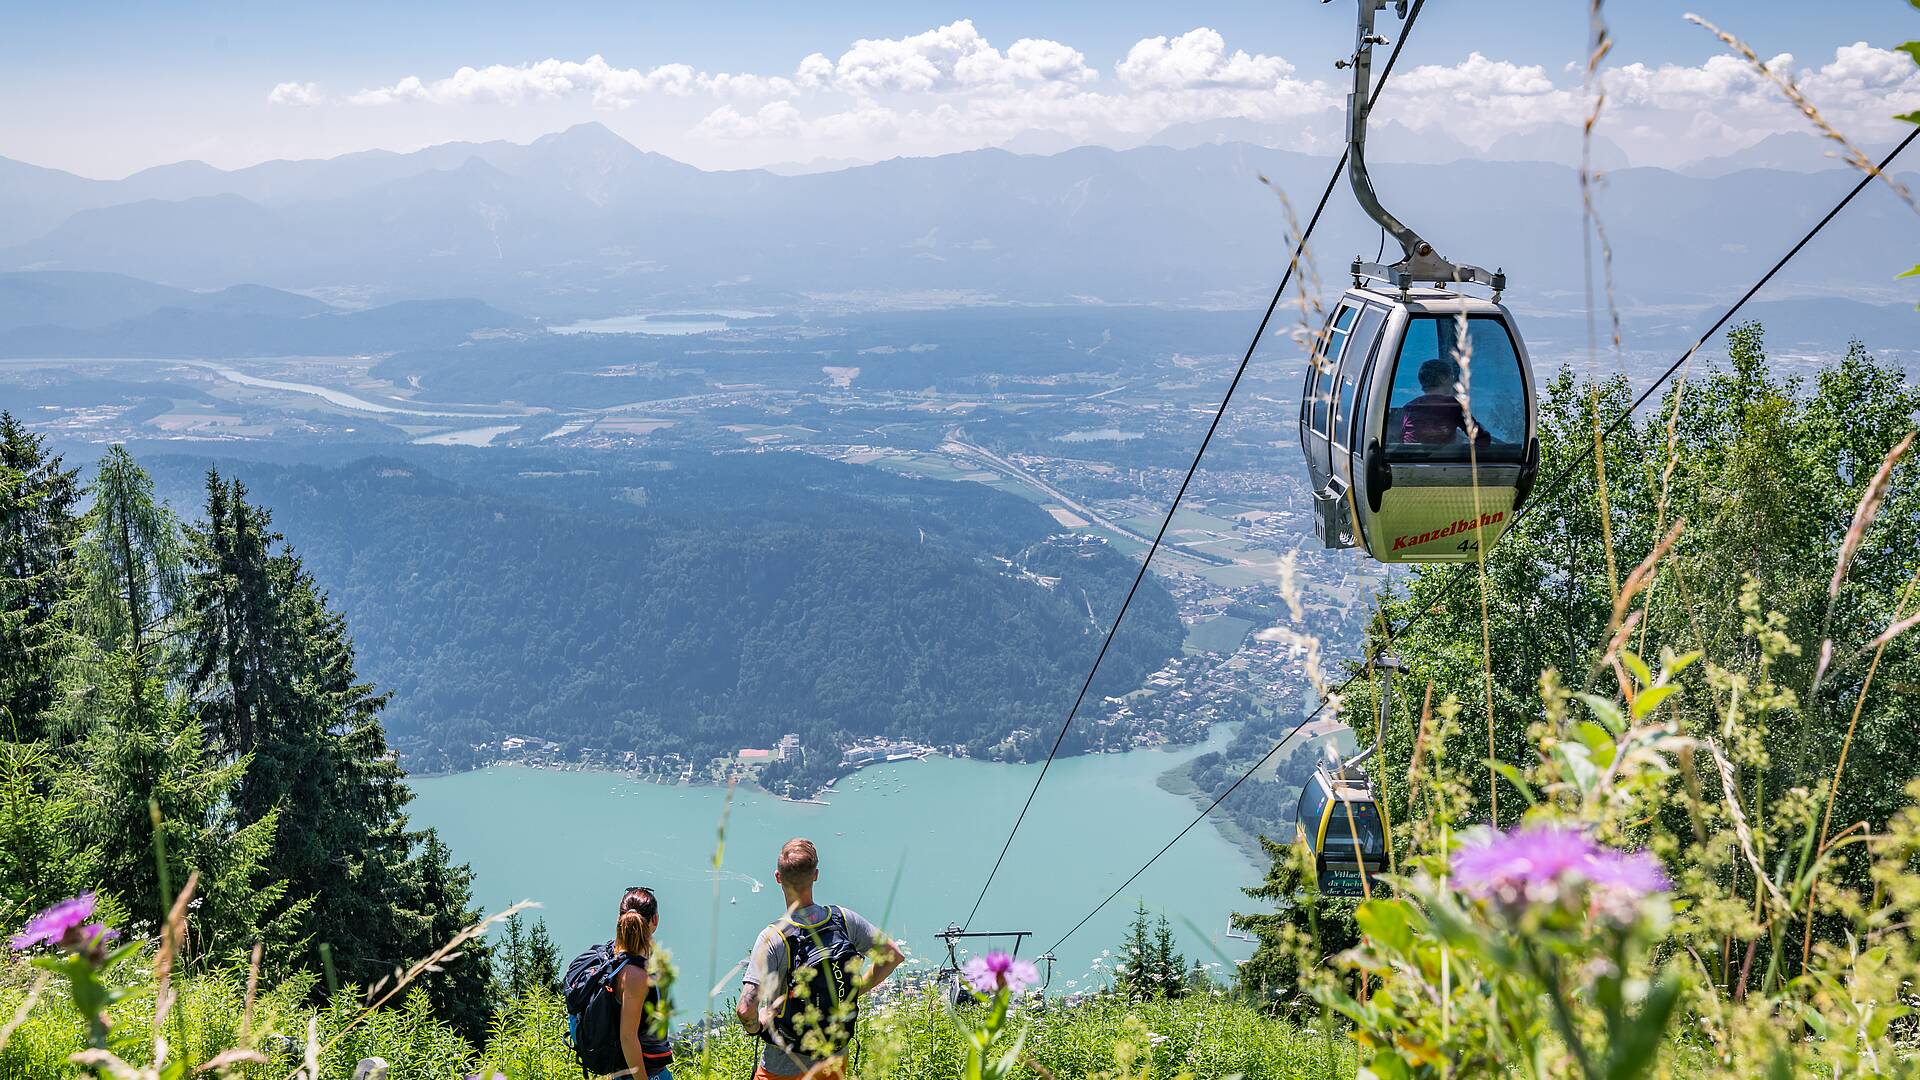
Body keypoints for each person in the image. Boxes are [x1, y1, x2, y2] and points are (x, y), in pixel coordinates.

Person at [736, 839, 905, 1080]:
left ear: (777, 877)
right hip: (833, 1061)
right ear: (815, 875)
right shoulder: (843, 919)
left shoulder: (773, 938)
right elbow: (893, 955)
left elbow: (745, 1009)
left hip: (783, 1065)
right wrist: (855, 991)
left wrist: (757, 1026)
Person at [613, 887, 675, 1079]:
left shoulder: (615, 955)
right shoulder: (635, 975)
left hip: (625, 1069)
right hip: (640, 1072)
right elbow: (627, 1037)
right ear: (655, 920)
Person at [1399, 357, 1493, 448]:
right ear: (1443, 378)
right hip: (1439, 460)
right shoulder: (1452, 405)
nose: (1453, 381)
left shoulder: (1409, 407)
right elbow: (1481, 439)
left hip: (1412, 459)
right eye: (1451, 376)